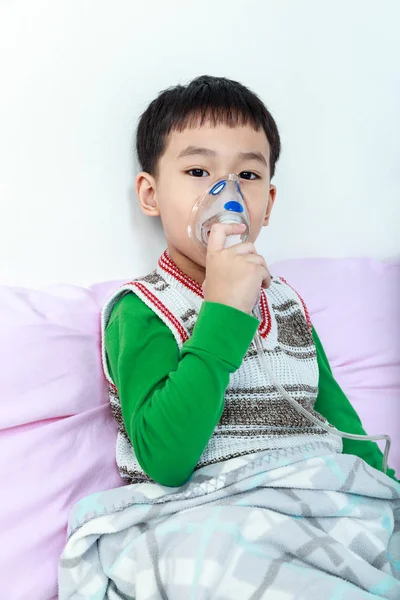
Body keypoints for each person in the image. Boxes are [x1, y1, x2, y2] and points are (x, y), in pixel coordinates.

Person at [101, 74, 398, 488]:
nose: (228, 194)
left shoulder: (285, 304)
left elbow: (342, 427)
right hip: (204, 515)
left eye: (249, 175)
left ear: (268, 204)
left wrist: (386, 492)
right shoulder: (143, 309)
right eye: (199, 170)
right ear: (151, 195)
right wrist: (223, 312)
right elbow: (165, 460)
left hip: (309, 502)